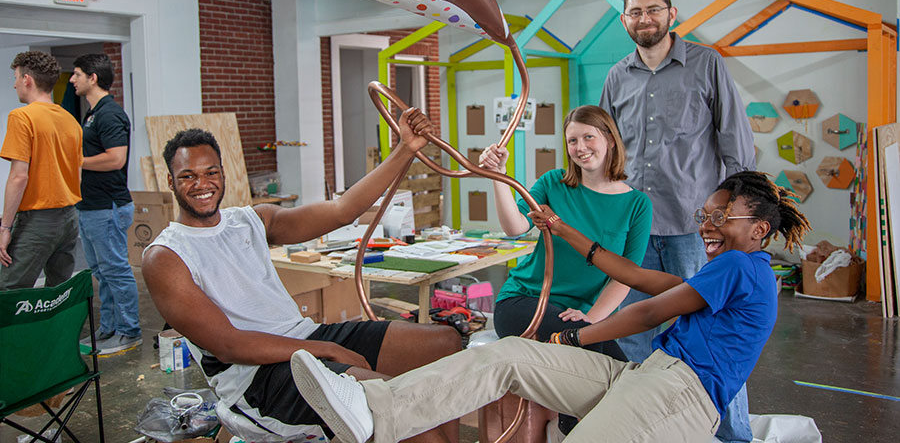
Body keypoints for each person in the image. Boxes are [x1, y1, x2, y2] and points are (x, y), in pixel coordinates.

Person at [291, 171, 810, 443]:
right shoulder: (727, 274)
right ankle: (375, 413)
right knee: (509, 355)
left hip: (680, 396)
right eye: (707, 213)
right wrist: (564, 230)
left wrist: (572, 338)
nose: (708, 224)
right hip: (645, 375)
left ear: (759, 229)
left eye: (723, 216)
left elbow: (648, 311)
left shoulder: (743, 267)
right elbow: (637, 276)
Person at [142, 108, 462, 443]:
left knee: (444, 343)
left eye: (210, 173)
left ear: (223, 173)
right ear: (170, 182)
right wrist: (325, 350)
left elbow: (342, 211)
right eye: (188, 176)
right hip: (257, 379)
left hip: (304, 336)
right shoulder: (166, 257)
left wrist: (405, 149)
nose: (202, 184)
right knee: (399, 410)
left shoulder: (250, 220)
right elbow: (229, 346)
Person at [599, 0, 756, 442]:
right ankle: (659, 426)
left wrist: (739, 222)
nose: (644, 19)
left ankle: (731, 435)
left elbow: (736, 145)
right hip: (634, 229)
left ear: (672, 14)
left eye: (653, 10)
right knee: (631, 332)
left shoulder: (706, 65)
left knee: (711, 335)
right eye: (634, 12)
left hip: (696, 229)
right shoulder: (616, 76)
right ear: (624, 20)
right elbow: (603, 150)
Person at [479, 106, 651, 355]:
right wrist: (498, 175)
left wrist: (591, 318)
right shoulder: (553, 182)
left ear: (610, 140)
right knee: (611, 359)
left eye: (588, 137)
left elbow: (626, 276)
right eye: (572, 140)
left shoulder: (637, 204)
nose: (580, 147)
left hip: (583, 314)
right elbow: (514, 227)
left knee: (607, 358)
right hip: (527, 301)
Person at [70, 53, 141, 354]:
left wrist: (75, 161)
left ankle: (129, 331)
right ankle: (109, 329)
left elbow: (116, 158)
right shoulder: (91, 113)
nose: (72, 79)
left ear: (92, 78)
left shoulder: (109, 113)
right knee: (102, 272)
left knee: (116, 270)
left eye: (76, 74)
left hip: (107, 206)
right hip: (90, 206)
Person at [0, 51, 82, 290]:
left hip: (38, 220)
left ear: (27, 79)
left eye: (16, 77)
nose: (14, 84)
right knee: (58, 293)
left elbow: (18, 176)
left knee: (8, 291)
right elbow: (77, 174)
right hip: (69, 218)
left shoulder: (22, 117)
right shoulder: (70, 121)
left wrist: (5, 227)